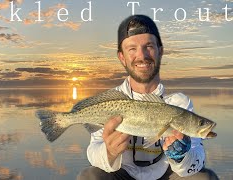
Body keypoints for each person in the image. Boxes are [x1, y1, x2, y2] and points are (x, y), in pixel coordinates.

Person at [77, 15, 218, 180]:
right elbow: (93, 152)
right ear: (121, 57)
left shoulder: (179, 103)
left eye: (149, 46)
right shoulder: (109, 103)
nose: (142, 55)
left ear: (161, 50)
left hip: (167, 175)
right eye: (132, 49)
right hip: (122, 174)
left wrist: (181, 157)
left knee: (204, 177)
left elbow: (197, 159)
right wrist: (109, 152)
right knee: (89, 176)